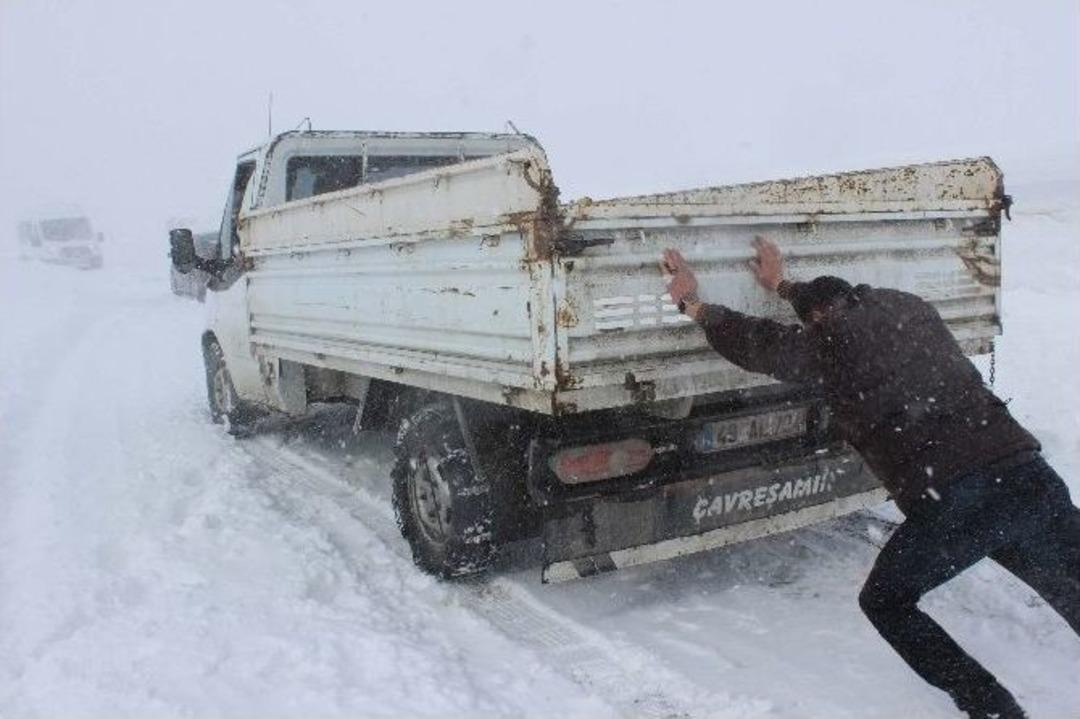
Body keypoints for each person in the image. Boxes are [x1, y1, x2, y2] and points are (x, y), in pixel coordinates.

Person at [661, 237, 1079, 719]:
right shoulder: (911, 308)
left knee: (886, 601)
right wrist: (782, 285)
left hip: (956, 495)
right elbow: (828, 309)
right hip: (1028, 474)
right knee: (1057, 570)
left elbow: (758, 344)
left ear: (816, 319)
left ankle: (991, 707)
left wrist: (693, 304)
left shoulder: (830, 345)